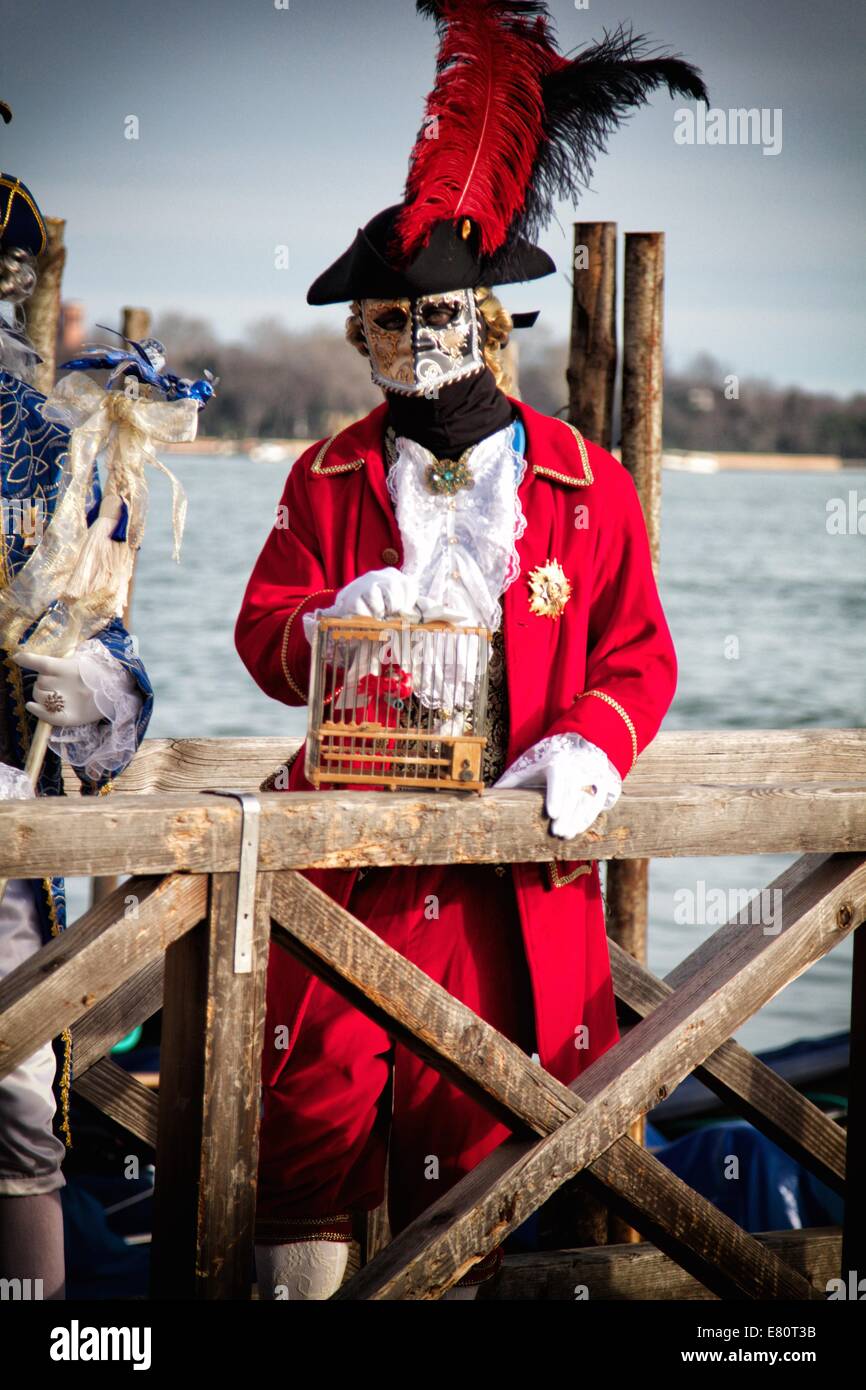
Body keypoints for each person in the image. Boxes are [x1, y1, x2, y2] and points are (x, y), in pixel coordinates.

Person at [235, 1, 705, 1300]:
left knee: (499, 1155)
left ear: (491, 323)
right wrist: (333, 628)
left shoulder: (583, 481)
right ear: (360, 336)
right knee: (303, 1137)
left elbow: (639, 655)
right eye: (389, 322)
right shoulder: (323, 477)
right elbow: (261, 633)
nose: (415, 342)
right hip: (344, 870)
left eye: (438, 317)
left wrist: (587, 749)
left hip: (514, 878)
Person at [0, 163, 153, 1299]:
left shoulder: (51, 441)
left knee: (13, 1111)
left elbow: (109, 649)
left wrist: (86, 687)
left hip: (4, 832)